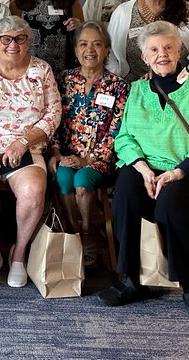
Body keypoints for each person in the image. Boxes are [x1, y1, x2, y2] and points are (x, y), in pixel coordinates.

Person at [98, 21, 189, 327]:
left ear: (179, 49)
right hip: (145, 166)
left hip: (188, 170)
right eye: (154, 50)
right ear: (144, 58)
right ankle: (132, 279)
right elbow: (125, 137)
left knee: (170, 204)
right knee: (126, 195)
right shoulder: (138, 90)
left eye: (168, 47)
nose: (162, 54)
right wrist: (142, 169)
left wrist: (177, 173)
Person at [0, 16, 59, 288]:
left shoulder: (42, 70)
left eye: (20, 38)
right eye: (6, 39)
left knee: (33, 190)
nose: (13, 44)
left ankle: (18, 254)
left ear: (29, 41)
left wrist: (23, 142)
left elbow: (53, 114)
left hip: (25, 149)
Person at [51, 21, 128, 264]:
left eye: (97, 44)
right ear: (75, 51)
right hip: (66, 155)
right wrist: (54, 151)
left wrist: (88, 158)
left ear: (107, 50)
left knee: (82, 181)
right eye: (83, 44)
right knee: (64, 177)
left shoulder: (118, 86)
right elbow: (52, 119)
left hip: (100, 160)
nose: (90, 50)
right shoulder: (63, 80)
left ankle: (88, 234)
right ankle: (74, 232)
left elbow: (118, 130)